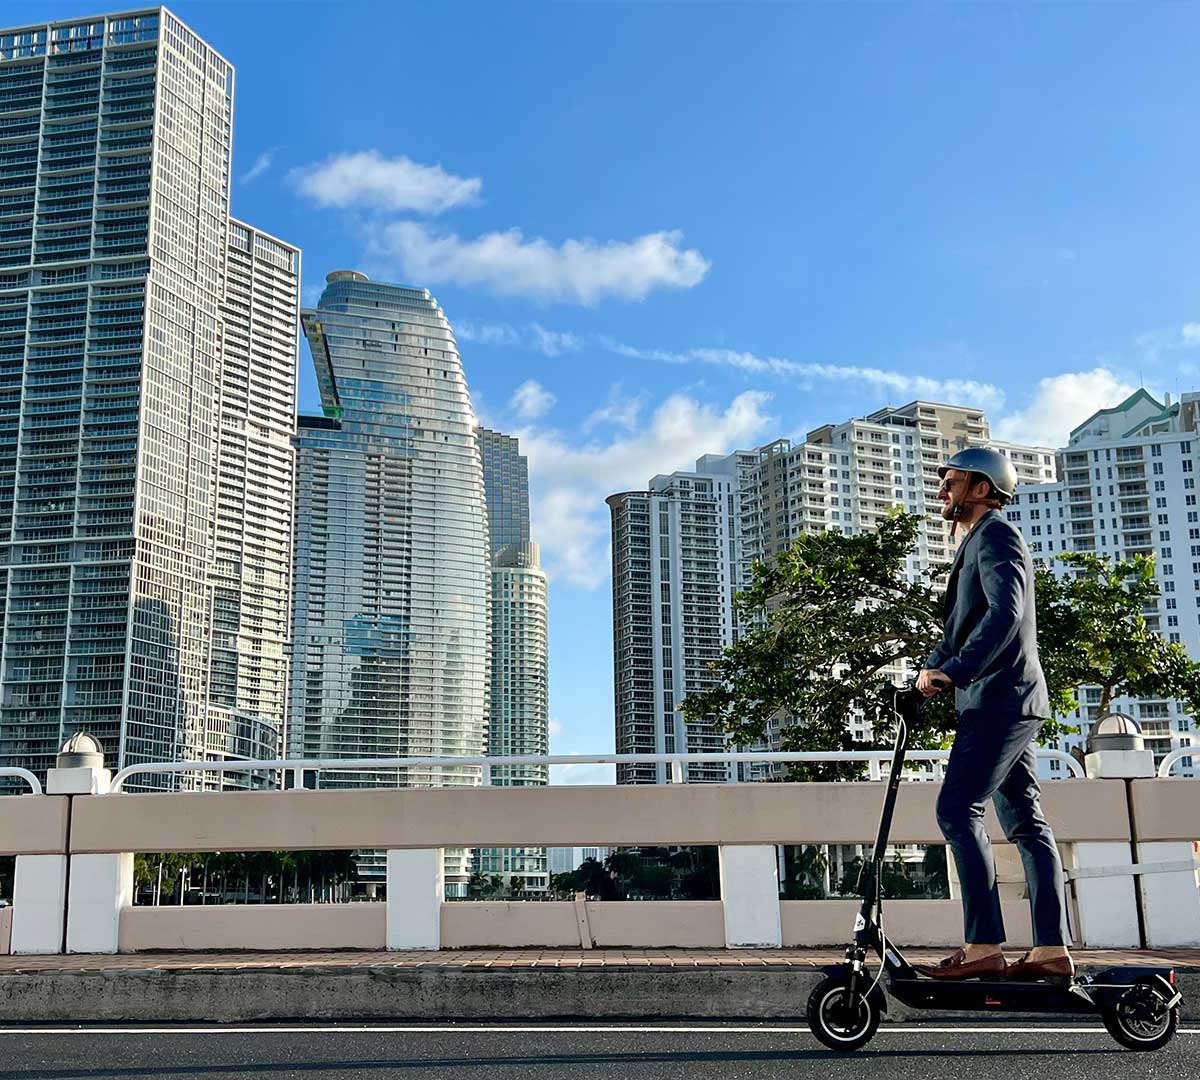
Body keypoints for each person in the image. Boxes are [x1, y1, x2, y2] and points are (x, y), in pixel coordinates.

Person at [915, 447, 1073, 981]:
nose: (943, 491)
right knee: (1027, 824)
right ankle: (1051, 950)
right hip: (1005, 699)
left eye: (952, 482)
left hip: (999, 699)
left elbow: (1007, 613)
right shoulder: (974, 544)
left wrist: (955, 672)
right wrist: (930, 669)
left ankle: (984, 944)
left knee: (957, 811)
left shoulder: (997, 536)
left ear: (982, 488)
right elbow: (960, 627)